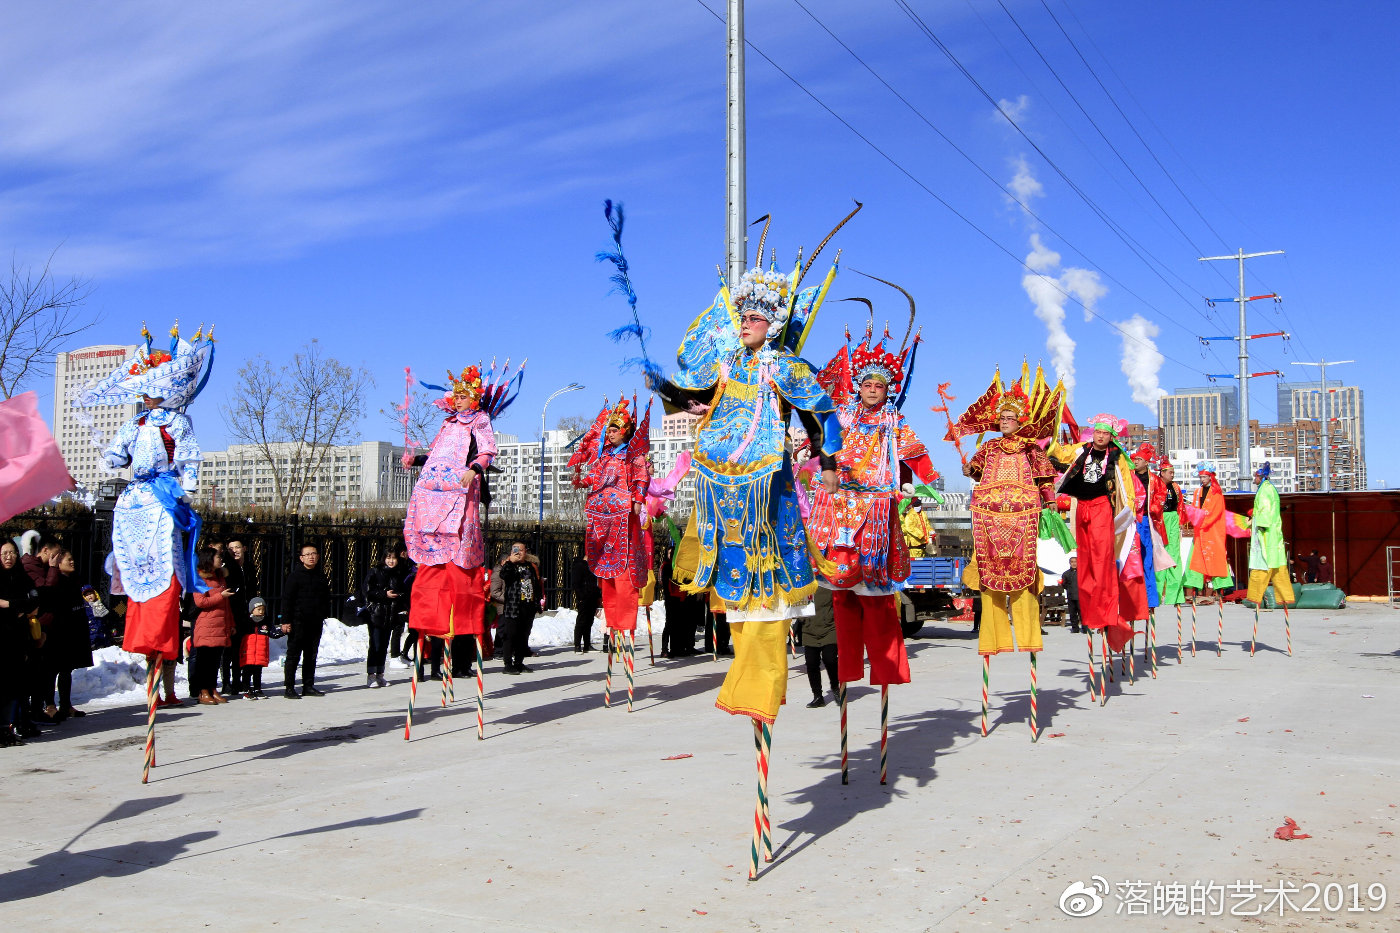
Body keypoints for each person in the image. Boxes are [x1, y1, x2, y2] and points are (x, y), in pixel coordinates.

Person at [808, 312, 935, 716]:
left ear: (888, 389)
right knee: (841, 593)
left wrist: (924, 481)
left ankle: (885, 668)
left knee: (877, 596)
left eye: (880, 385)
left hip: (878, 506)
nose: (873, 390)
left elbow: (917, 456)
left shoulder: (895, 422)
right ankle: (845, 671)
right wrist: (819, 467)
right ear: (858, 386)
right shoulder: (841, 415)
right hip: (840, 504)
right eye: (867, 384)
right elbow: (824, 447)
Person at [78, 324, 215, 686]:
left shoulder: (178, 422)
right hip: (134, 496)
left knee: (167, 558)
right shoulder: (132, 424)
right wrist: (108, 457)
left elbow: (187, 458)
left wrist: (189, 480)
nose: (150, 398)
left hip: (163, 494)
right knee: (131, 557)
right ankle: (139, 623)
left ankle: (162, 630)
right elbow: (115, 453)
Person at [404, 362, 516, 673]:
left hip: (463, 489)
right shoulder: (448, 424)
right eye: (455, 396)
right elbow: (438, 456)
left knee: (462, 537)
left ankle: (463, 646)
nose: (457, 400)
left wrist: (474, 470)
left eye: (463, 396)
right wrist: (416, 459)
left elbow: (487, 451)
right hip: (435, 492)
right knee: (433, 553)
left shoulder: (479, 421)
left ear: (474, 398)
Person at [958, 381, 1058, 658]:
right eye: (1001, 418)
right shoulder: (989, 446)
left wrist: (1050, 504)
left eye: (1009, 418)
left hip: (1023, 516)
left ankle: (1028, 638)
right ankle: (992, 640)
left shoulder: (1030, 448)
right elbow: (977, 470)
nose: (1004, 422)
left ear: (1019, 421)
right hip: (989, 517)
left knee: (1024, 575)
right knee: (989, 578)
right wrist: (970, 468)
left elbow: (1045, 478)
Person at [567, 397, 653, 651]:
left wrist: (638, 500)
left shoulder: (632, 455)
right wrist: (580, 481)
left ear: (625, 432)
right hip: (601, 516)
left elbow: (641, 478)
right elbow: (594, 477)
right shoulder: (603, 456)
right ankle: (612, 621)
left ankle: (624, 623)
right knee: (606, 570)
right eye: (610, 430)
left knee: (624, 566)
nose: (611, 434)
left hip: (623, 515)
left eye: (615, 430)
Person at [1054, 414, 1138, 658]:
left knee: (1102, 556)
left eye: (1106, 433)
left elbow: (1127, 486)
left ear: (1112, 436)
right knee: (1085, 556)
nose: (1101, 436)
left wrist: (1129, 510)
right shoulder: (1082, 449)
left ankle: (1105, 607)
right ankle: (1089, 604)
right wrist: (1046, 435)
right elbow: (1060, 454)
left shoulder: (1117, 456)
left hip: (1102, 505)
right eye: (1098, 432)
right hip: (1081, 505)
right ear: (1094, 433)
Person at [0, 540, 40, 744]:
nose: (9, 557)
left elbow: (34, 604)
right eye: (4, 553)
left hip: (18, 639)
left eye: (12, 552)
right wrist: (18, 608)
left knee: (15, 685)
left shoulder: (22, 577)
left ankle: (9, 726)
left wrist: (9, 604)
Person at [281, 543, 330, 697]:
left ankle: (308, 685)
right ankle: (289, 687)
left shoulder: (320, 575)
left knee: (311, 655)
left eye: (314, 553)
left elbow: (325, 597)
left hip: (315, 622)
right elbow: (287, 599)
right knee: (294, 655)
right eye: (307, 554)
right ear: (301, 558)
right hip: (298, 622)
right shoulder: (295, 576)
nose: (311, 556)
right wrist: (286, 621)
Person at [1246, 462, 1295, 608]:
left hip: (1266, 533)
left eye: (1256, 477)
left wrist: (1261, 524)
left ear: (1261, 477)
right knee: (1274, 564)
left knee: (1264, 563)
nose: (1254, 479)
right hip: (1270, 533)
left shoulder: (1266, 490)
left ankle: (1256, 597)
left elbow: (1266, 508)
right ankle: (1284, 597)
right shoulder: (1267, 489)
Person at [191, 550, 236, 706]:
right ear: (209, 559)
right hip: (206, 625)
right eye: (218, 557)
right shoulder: (200, 578)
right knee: (204, 660)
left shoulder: (221, 577)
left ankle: (213, 688)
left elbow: (227, 605)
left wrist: (231, 624)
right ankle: (202, 690)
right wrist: (220, 596)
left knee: (216, 661)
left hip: (220, 625)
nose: (220, 559)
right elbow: (201, 602)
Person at [490, 542, 541, 674]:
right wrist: (510, 562)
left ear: (526, 551)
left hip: (528, 605)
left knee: (523, 636)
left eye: (521, 550)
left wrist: (537, 602)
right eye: (516, 550)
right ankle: (508, 664)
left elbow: (535, 584)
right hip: (513, 606)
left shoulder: (530, 566)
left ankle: (519, 662)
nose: (519, 553)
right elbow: (504, 575)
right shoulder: (509, 566)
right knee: (510, 635)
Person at [1185, 463, 1233, 601]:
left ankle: (1220, 589)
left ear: (1210, 477)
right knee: (1196, 559)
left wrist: (1203, 521)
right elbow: (1194, 510)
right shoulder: (1197, 492)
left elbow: (1216, 511)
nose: (1202, 479)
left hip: (1213, 531)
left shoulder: (1216, 492)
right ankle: (1194, 588)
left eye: (1205, 477)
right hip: (1200, 531)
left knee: (1216, 559)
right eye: (1201, 477)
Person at [364, 550, 411, 687]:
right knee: (376, 645)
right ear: (383, 559)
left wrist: (401, 601)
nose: (391, 561)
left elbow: (402, 591)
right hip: (376, 614)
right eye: (388, 558)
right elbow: (367, 591)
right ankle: (371, 675)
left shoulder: (397, 574)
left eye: (394, 558)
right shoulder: (375, 571)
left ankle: (380, 674)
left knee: (384, 645)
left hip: (390, 614)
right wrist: (383, 594)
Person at [1154, 458, 1190, 610]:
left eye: (1174, 472)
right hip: (1159, 520)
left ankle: (1174, 595)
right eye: (1170, 472)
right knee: (1158, 557)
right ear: (1162, 473)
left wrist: (1180, 523)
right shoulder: (1155, 485)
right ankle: (1155, 595)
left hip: (1173, 520)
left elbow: (1181, 505)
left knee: (1174, 557)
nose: (1172, 475)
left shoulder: (1175, 487)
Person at [222, 537, 255, 695]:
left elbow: (253, 589)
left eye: (237, 547)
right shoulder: (227, 568)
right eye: (231, 548)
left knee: (242, 648)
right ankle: (226, 682)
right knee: (229, 650)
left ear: (244, 549)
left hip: (246, 613)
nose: (234, 550)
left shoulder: (249, 567)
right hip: (231, 612)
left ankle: (238, 680)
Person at [802, 588, 840, 707]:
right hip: (809, 630)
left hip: (829, 628)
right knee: (811, 663)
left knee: (830, 659)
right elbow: (795, 604)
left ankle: (836, 688)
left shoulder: (828, 583)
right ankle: (817, 696)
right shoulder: (803, 584)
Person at [240, 597, 271, 698]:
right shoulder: (247, 621)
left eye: (263, 609)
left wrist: (283, 632)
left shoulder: (265, 621)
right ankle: (247, 689)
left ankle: (258, 688)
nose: (261, 612)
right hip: (248, 652)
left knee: (258, 671)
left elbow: (272, 632)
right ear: (252, 609)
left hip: (260, 653)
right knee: (247, 671)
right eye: (259, 609)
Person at [570, 554, 601, 653]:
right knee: (581, 621)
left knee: (589, 621)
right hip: (584, 597)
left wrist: (597, 595)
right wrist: (581, 596)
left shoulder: (594, 567)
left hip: (592, 596)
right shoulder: (579, 566)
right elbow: (576, 583)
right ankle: (577, 645)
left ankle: (587, 645)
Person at [1062, 555, 1081, 633]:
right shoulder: (1066, 574)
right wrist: (1069, 589)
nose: (1074, 564)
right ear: (1070, 563)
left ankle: (1085, 628)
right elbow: (1064, 584)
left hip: (1080, 596)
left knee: (1082, 613)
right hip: (1071, 596)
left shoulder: (1081, 572)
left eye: (1075, 562)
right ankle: (1075, 628)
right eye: (1072, 562)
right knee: (1072, 613)